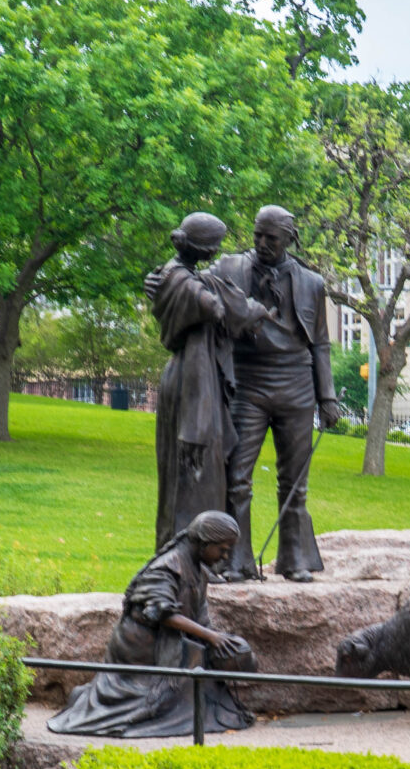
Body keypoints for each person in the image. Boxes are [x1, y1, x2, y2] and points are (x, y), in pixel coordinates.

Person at [212, 206, 344, 581]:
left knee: (294, 482)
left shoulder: (311, 283)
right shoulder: (230, 268)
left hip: (296, 384)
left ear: (290, 239)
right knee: (236, 476)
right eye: (258, 235)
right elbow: (193, 281)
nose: (262, 243)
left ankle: (294, 559)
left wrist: (327, 397)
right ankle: (235, 561)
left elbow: (320, 343)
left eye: (271, 237)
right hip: (248, 381)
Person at [46, 511, 257, 738]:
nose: (225, 557)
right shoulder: (168, 567)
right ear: (204, 543)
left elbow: (201, 616)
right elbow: (161, 614)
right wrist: (210, 637)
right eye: (222, 549)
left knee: (206, 685)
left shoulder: (199, 571)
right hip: (142, 649)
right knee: (161, 699)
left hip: (171, 643)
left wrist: (221, 641)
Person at [147, 213, 268, 552]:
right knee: (194, 475)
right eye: (214, 246)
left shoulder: (173, 275)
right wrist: (246, 306)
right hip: (193, 382)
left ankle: (190, 555)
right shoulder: (184, 283)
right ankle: (187, 556)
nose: (216, 253)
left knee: (194, 475)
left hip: (191, 378)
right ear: (202, 248)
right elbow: (215, 308)